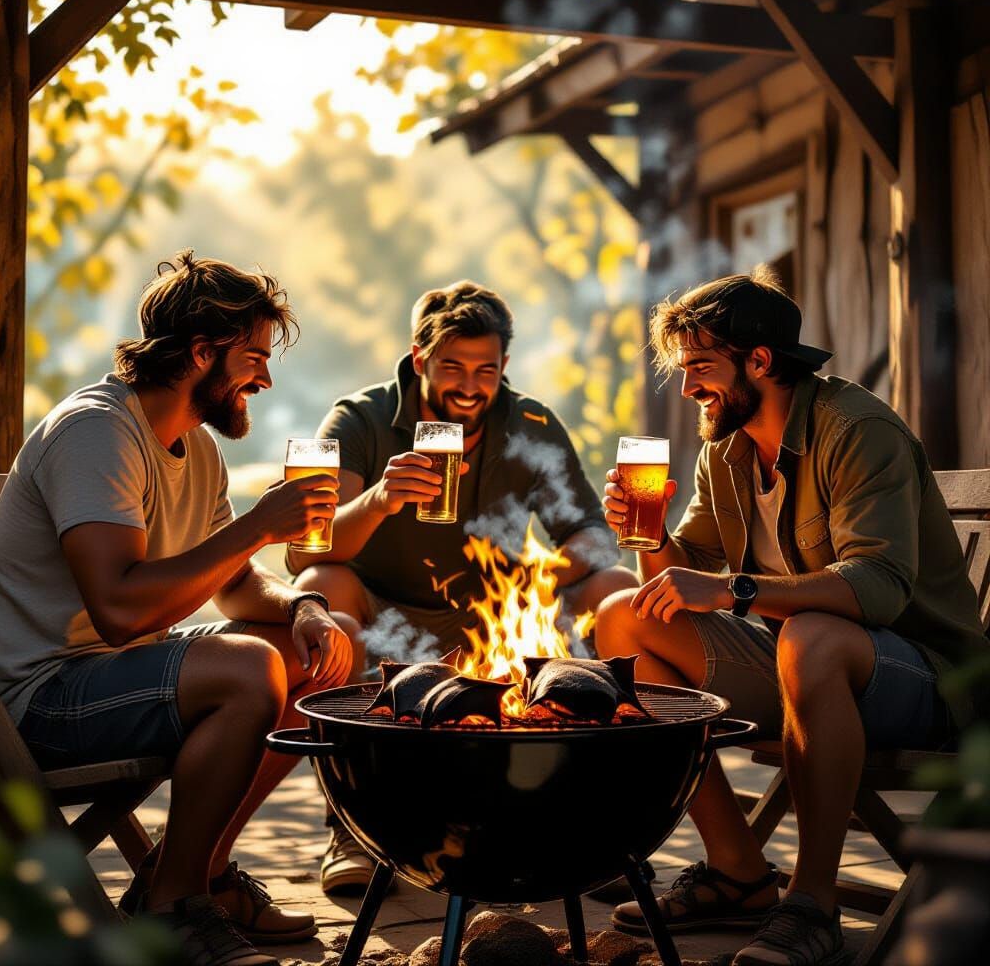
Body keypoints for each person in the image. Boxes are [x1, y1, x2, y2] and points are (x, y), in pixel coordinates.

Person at [595, 267, 989, 966]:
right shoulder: (729, 444)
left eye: (701, 368)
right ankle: (738, 872)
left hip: (925, 678)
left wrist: (732, 591)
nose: (688, 388)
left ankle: (814, 905)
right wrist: (649, 539)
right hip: (801, 664)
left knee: (810, 636)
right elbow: (677, 577)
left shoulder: (855, 429)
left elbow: (880, 587)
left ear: (760, 360)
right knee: (624, 617)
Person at [0, 253, 355, 966]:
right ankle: (173, 907)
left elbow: (236, 585)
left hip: (109, 674)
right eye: (253, 359)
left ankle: (200, 869)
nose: (265, 379)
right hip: (33, 700)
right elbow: (118, 611)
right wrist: (261, 524)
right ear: (202, 352)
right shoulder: (96, 432)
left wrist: (302, 603)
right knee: (247, 670)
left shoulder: (197, 447)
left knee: (325, 645)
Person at [288, 279, 637, 892]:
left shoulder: (530, 423)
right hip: (385, 613)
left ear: (504, 367)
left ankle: (597, 828)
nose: (470, 387)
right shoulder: (360, 419)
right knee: (324, 584)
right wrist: (379, 499)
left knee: (613, 582)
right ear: (420, 358)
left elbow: (590, 533)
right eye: (452, 366)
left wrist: (542, 578)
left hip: (492, 615)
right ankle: (350, 827)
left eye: (487, 370)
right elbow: (304, 551)